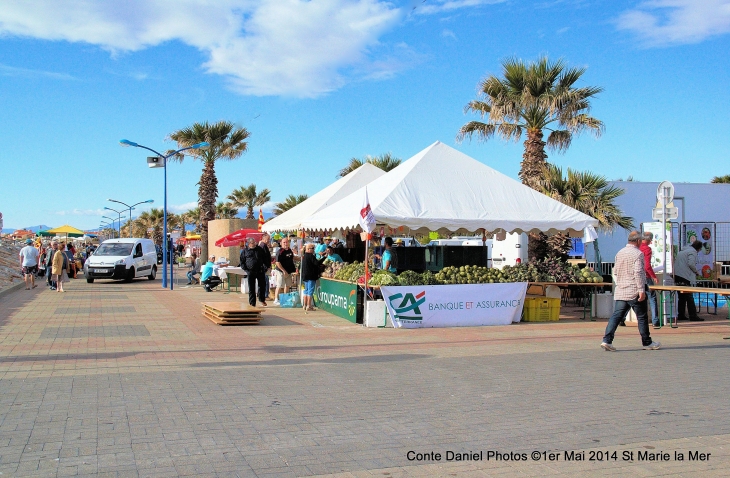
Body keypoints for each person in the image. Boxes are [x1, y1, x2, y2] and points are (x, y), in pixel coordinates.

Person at [601, 231, 660, 351]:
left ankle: (607, 340)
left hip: (622, 290)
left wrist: (621, 282)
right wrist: (641, 290)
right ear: (638, 241)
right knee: (642, 316)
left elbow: (616, 271)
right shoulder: (638, 254)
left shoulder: (620, 252)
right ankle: (647, 342)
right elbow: (638, 272)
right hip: (634, 290)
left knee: (616, 316)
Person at [674, 240, 703, 321]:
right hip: (685, 276)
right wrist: (696, 271)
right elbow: (691, 264)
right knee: (689, 296)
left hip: (677, 275)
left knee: (681, 297)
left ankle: (681, 314)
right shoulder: (692, 252)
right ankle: (693, 315)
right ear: (699, 248)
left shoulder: (683, 251)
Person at [639, 232, 661, 327]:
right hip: (646, 276)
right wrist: (654, 276)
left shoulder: (637, 248)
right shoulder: (647, 249)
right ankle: (655, 320)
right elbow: (647, 265)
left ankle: (622, 318)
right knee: (652, 297)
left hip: (636, 276)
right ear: (647, 239)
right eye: (650, 240)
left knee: (633, 297)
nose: (651, 242)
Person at [240, 237, 267, 307]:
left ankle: (262, 299)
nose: (254, 244)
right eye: (252, 243)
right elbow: (242, 262)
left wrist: (265, 267)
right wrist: (246, 270)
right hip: (250, 271)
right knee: (251, 288)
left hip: (260, 270)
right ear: (249, 244)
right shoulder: (245, 251)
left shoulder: (259, 250)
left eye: (254, 242)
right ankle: (252, 303)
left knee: (262, 286)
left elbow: (265, 258)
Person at [301, 243, 327, 312]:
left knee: (306, 291)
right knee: (310, 291)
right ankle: (309, 306)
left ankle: (305, 305)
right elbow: (317, 263)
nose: (314, 250)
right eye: (312, 249)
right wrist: (324, 258)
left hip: (305, 276)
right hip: (311, 276)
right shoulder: (310, 256)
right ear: (308, 249)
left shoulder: (304, 256)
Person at [273, 238, 297, 305]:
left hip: (289, 271)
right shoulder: (280, 251)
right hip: (280, 271)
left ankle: (285, 299)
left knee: (288, 285)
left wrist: (301, 258)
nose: (285, 244)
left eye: (286, 242)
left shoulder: (289, 250)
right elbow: (277, 262)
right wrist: (283, 271)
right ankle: (276, 299)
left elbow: (292, 257)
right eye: (284, 242)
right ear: (281, 243)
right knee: (280, 285)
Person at [258, 234, 273, 300]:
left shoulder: (262, 245)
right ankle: (265, 295)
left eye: (269, 239)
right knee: (265, 281)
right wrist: (267, 266)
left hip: (264, 266)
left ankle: (261, 294)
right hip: (264, 267)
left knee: (263, 281)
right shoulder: (263, 246)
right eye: (268, 239)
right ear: (264, 239)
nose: (268, 240)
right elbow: (264, 257)